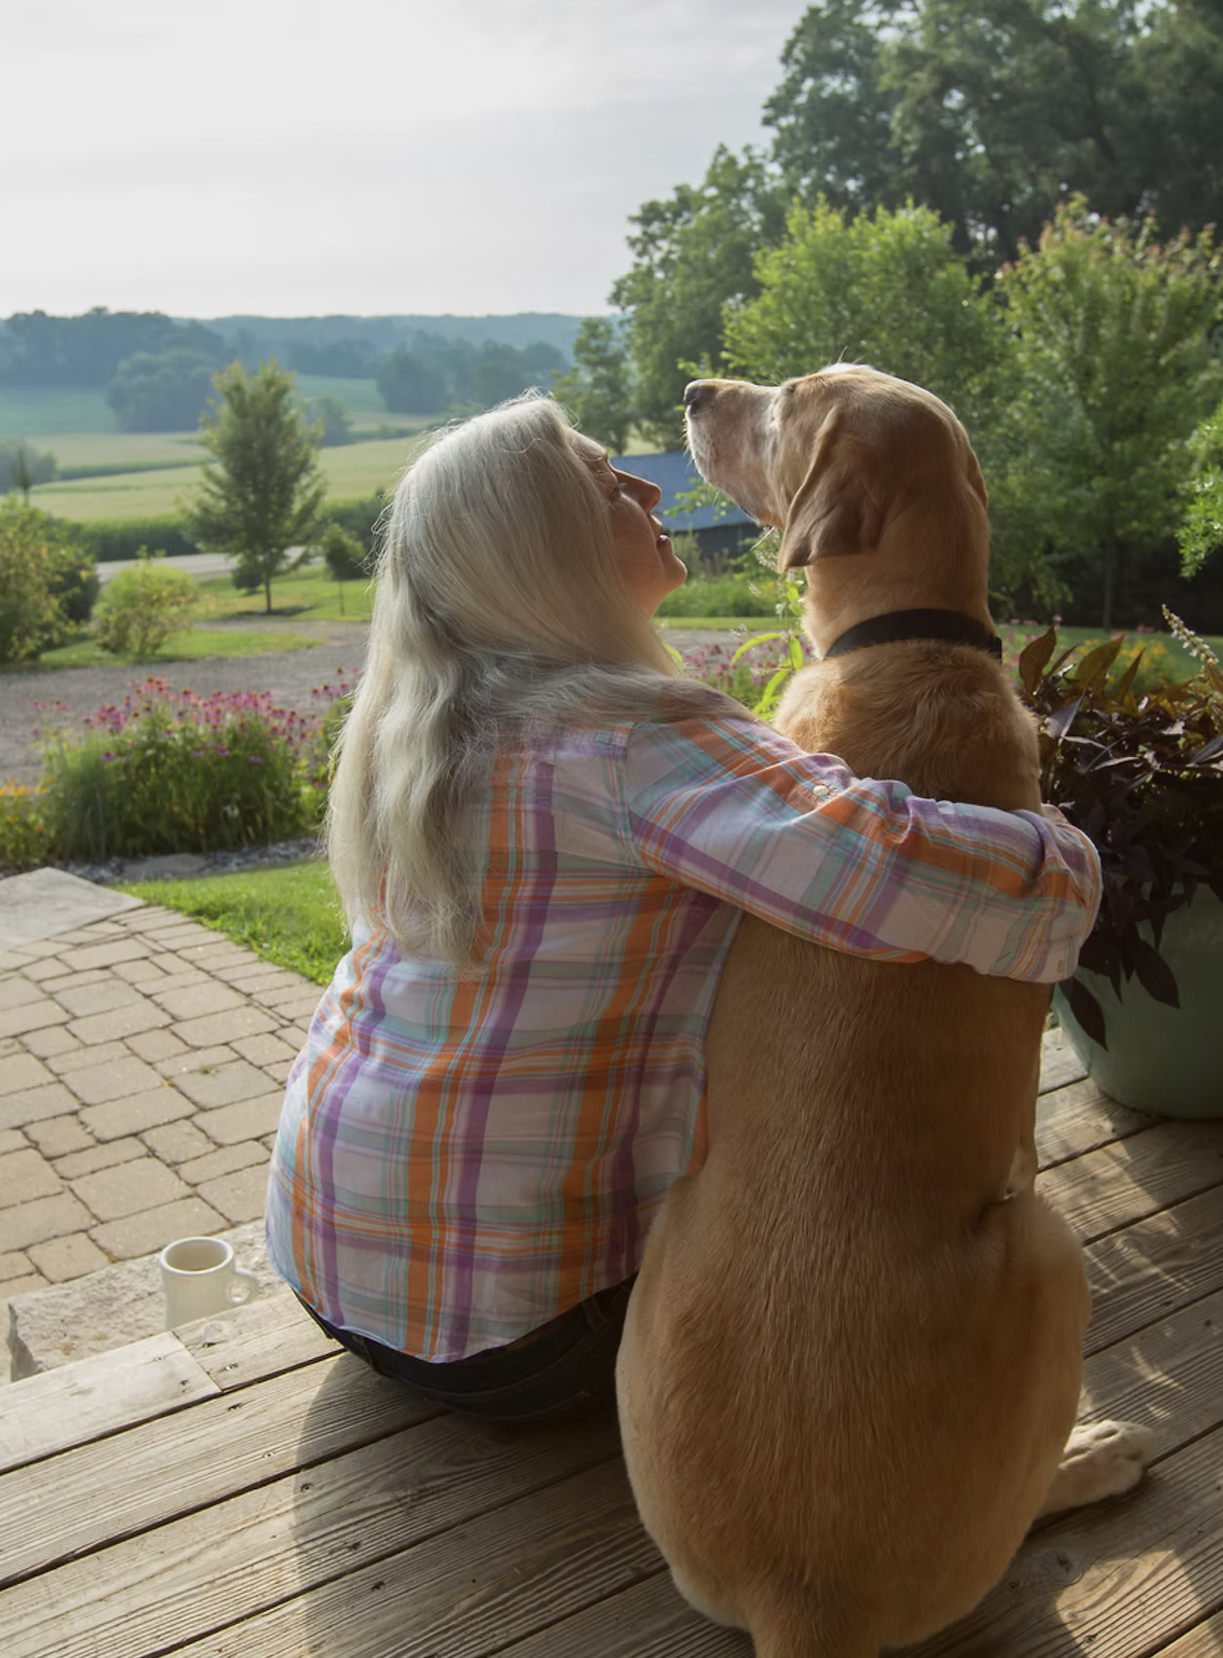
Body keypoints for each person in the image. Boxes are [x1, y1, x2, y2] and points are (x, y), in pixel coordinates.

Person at [264, 392, 1101, 1422]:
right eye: (609, 483)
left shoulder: (422, 726)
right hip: (517, 1334)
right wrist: (1065, 853)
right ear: (547, 548)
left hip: (325, 1264)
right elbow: (900, 876)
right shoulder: (632, 743)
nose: (652, 487)